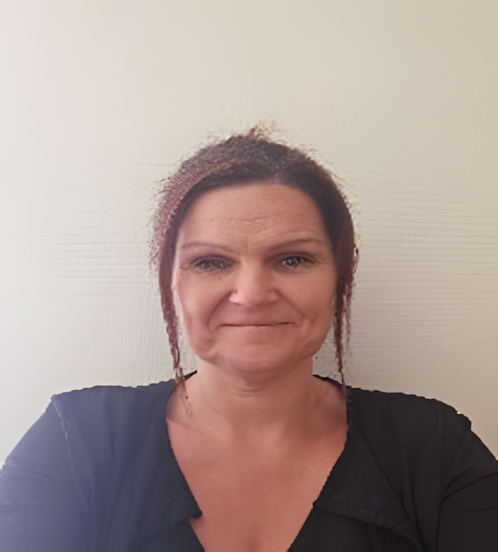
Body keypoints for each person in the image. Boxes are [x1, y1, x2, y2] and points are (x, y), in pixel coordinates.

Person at [1, 127, 497, 552]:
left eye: (293, 259)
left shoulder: (434, 450)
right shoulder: (76, 443)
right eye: (211, 262)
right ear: (172, 282)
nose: (253, 294)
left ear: (339, 276)